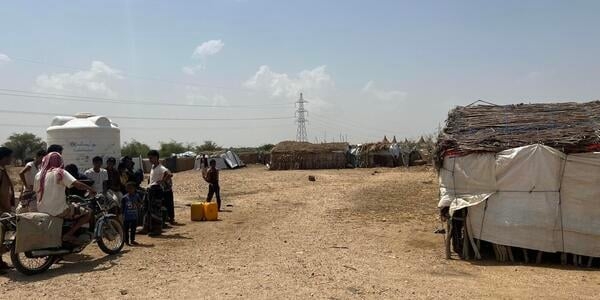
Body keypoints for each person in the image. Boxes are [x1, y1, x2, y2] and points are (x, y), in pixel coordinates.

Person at [35, 152, 96, 244]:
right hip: (59, 210)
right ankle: (69, 234)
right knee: (88, 212)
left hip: (41, 209)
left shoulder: (39, 175)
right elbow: (77, 185)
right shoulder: (60, 172)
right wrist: (90, 189)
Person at [147, 150, 175, 224]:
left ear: (156, 157)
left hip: (157, 190)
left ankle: (158, 226)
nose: (150, 160)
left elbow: (169, 174)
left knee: (156, 208)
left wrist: (162, 181)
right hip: (152, 189)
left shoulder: (161, 168)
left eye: (151, 158)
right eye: (149, 158)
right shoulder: (153, 167)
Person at [0, 147, 15, 273]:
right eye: (10, 157)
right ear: (4, 158)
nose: (11, 159)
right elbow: (3, 193)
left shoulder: (2, 170)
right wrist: (7, 208)